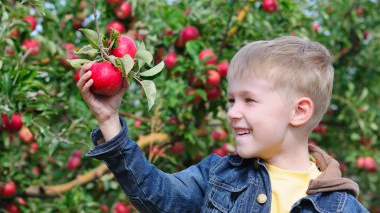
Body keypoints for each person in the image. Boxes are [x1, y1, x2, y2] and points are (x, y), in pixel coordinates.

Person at [77, 36, 369, 212]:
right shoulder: (218, 176)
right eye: (231, 100)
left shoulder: (341, 207)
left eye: (249, 100)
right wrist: (109, 120)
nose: (232, 112)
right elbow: (157, 195)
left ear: (299, 112)